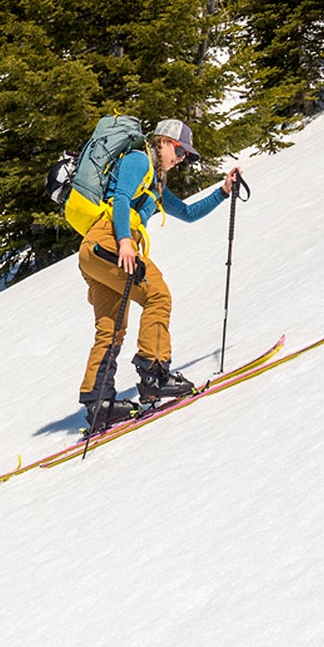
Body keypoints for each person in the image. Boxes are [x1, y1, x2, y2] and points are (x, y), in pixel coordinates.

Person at [74, 119, 244, 431]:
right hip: (110, 239)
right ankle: (154, 373)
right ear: (162, 141)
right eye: (179, 150)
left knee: (111, 326)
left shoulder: (155, 187)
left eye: (186, 157)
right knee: (157, 295)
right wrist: (125, 241)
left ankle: (98, 401)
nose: (180, 159)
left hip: (94, 252)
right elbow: (122, 197)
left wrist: (223, 191)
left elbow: (189, 214)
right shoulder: (139, 159)